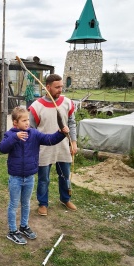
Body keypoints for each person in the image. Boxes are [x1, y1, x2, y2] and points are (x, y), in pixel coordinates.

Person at [0, 107, 69, 244]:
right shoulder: (10, 134)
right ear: (15, 123)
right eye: (23, 120)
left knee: (26, 203)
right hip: (15, 178)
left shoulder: (34, 134)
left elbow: (50, 139)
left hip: (30, 177)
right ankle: (12, 231)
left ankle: (24, 226)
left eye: (27, 120)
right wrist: (15, 137)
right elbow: (2, 148)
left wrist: (61, 133)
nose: (27, 123)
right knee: (13, 204)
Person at [29, 74, 78, 216]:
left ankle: (65, 198)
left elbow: (71, 123)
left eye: (61, 86)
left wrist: (73, 142)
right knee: (44, 178)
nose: (60, 89)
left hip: (63, 146)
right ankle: (43, 203)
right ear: (48, 87)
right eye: (57, 87)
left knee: (65, 175)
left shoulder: (67, 103)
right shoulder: (36, 106)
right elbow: (32, 130)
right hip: (44, 148)